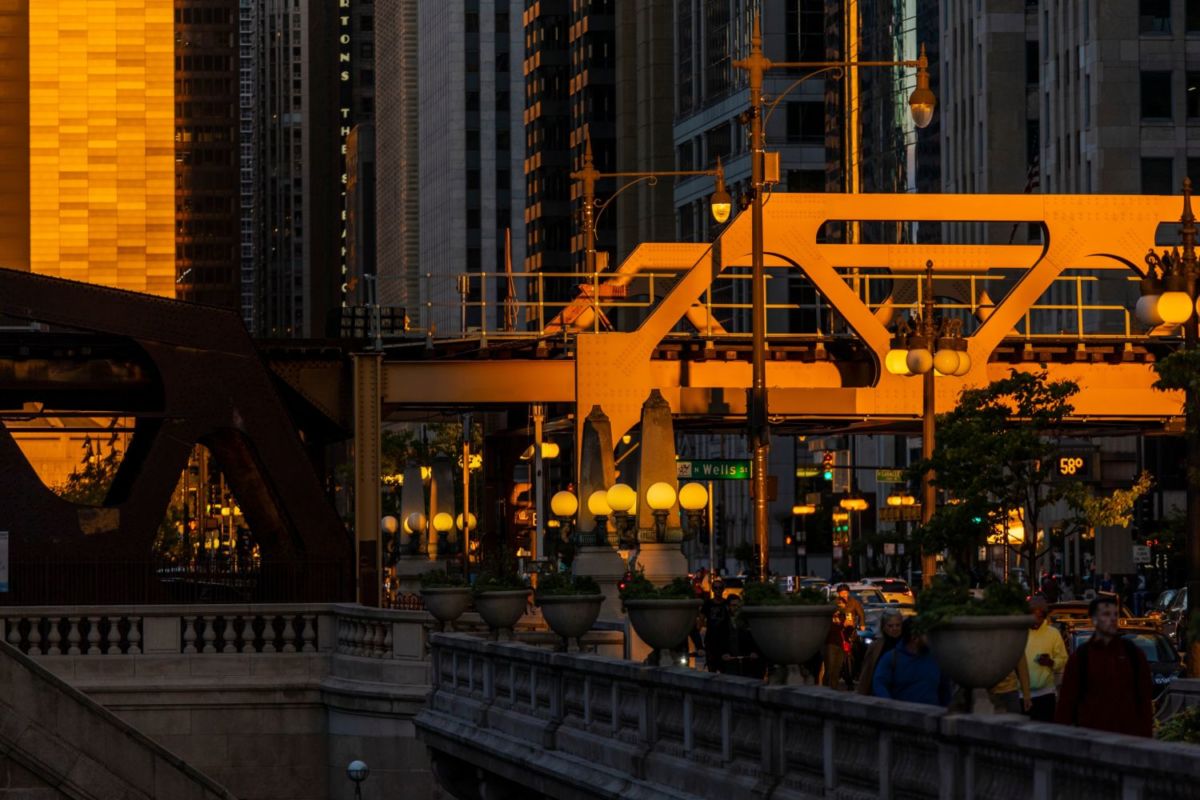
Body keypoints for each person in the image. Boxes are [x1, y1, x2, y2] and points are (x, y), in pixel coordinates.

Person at [1054, 596, 1154, 737]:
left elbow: (1144, 701)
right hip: (1092, 740)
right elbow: (1067, 702)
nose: (1113, 619)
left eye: (1115, 614)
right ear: (1094, 620)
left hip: (1128, 740)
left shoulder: (1133, 654)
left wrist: (1146, 738)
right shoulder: (1081, 657)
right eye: (1106, 614)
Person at [871, 618, 952, 707]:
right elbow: (879, 684)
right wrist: (891, 708)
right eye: (926, 633)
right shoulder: (892, 658)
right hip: (902, 717)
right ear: (914, 638)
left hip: (930, 716)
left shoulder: (936, 658)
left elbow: (945, 689)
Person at [1024, 595, 1069, 721]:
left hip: (1045, 694)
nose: (1036, 620)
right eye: (1033, 615)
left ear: (1044, 616)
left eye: (1039, 617)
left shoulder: (1053, 633)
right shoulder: (1020, 633)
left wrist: (1051, 662)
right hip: (1021, 694)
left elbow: (1063, 658)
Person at [714, 594, 766, 679]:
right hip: (730, 663)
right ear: (728, 607)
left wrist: (754, 651)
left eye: (738, 605)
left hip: (747, 663)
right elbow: (718, 642)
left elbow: (755, 638)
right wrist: (723, 654)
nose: (736, 608)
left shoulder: (748, 622)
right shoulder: (722, 624)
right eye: (733, 605)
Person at [856, 609, 904, 695]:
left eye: (898, 625)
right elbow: (867, 672)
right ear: (884, 627)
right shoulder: (876, 646)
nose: (895, 629)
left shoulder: (906, 645)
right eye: (890, 626)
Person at [821, 602, 852, 689]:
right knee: (830, 668)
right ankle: (826, 687)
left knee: (837, 668)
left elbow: (845, 634)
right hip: (831, 645)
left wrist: (849, 627)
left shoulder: (842, 618)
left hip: (840, 646)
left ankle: (834, 687)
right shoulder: (829, 619)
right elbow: (828, 631)